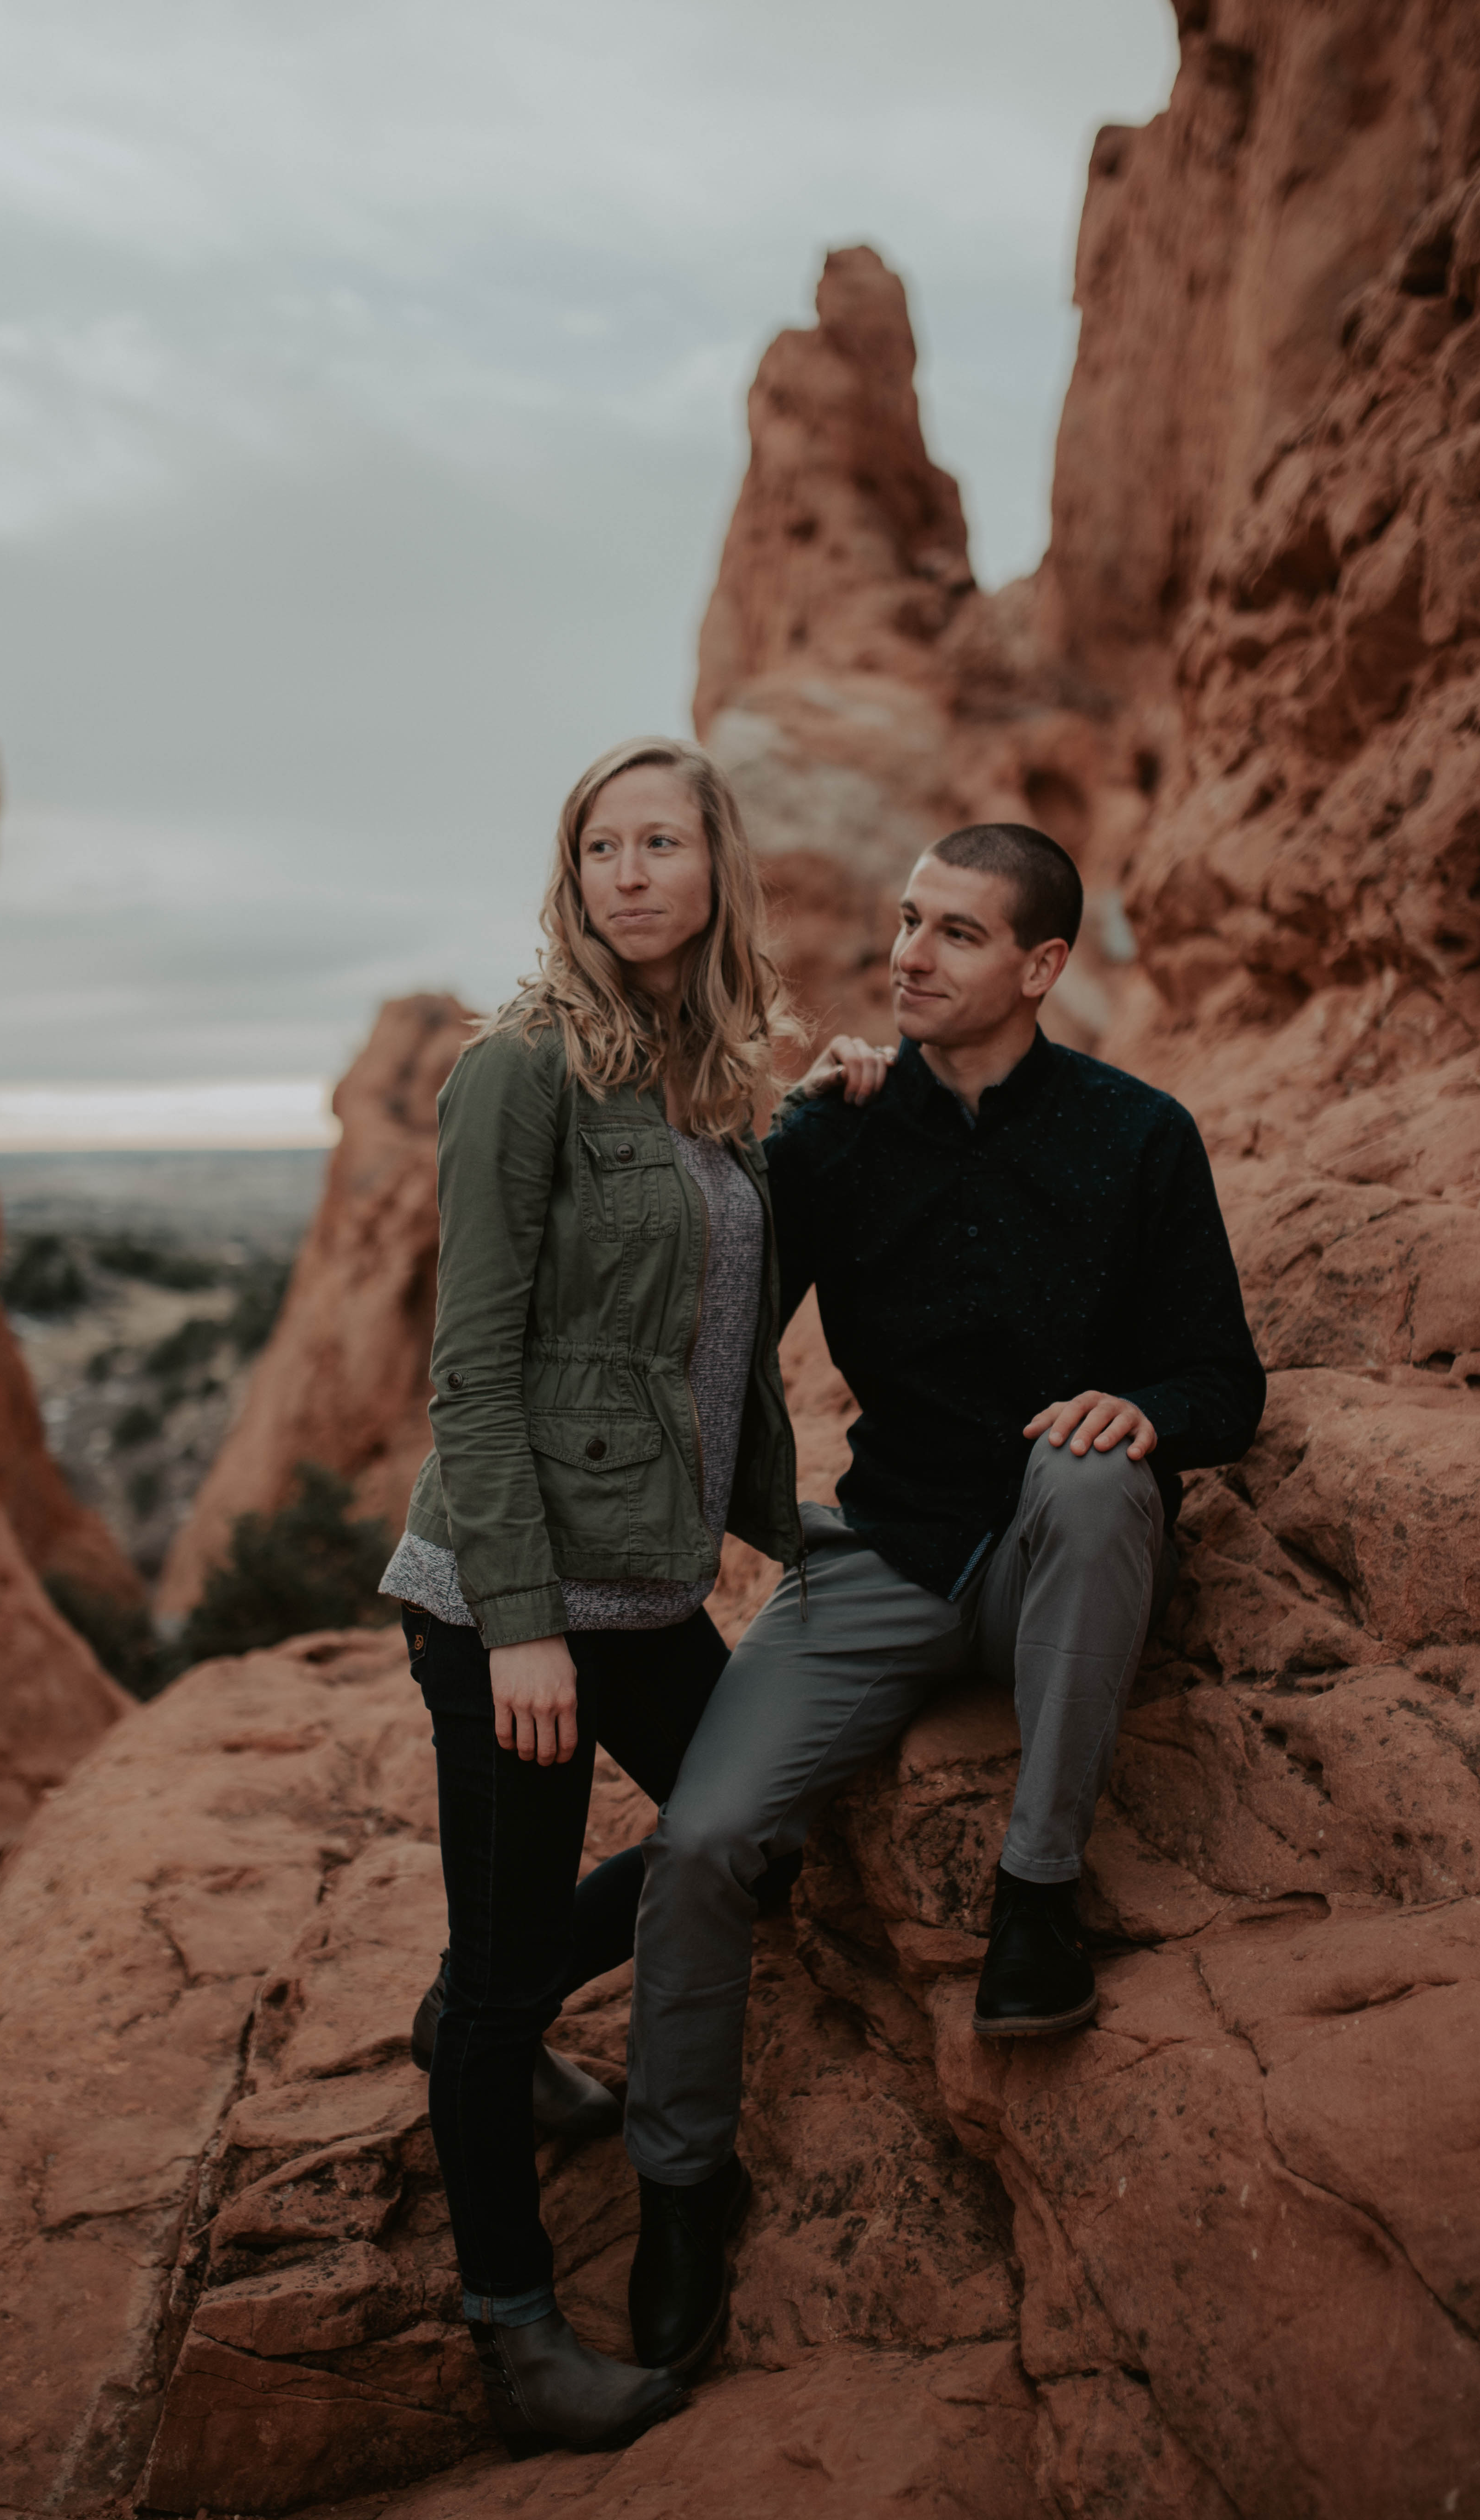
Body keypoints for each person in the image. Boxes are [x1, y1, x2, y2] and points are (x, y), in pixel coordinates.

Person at [621, 821, 1266, 2380]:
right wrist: (781, 1127)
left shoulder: (1139, 1133)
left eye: (957, 934)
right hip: (886, 1553)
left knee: (1104, 1472)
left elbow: (1222, 1376)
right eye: (908, 923)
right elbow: (714, 1305)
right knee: (703, 1843)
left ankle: (1037, 1902)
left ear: (1042, 967)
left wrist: (1147, 1410)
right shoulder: (843, 1135)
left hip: (1060, 1554)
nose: (909, 953)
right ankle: (682, 2186)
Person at [379, 735, 834, 2456]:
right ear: (570, 881)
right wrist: (516, 1624)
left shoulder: (709, 1083)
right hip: (516, 1596)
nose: (629, 874)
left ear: (717, 867)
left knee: (760, 1826)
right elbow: (473, 1371)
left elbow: (725, 1326)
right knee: (507, 1997)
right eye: (598, 849)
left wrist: (837, 1098)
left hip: (652, 1588)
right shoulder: (523, 1073)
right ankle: (513, 2326)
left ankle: (462, 2004)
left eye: (661, 842)